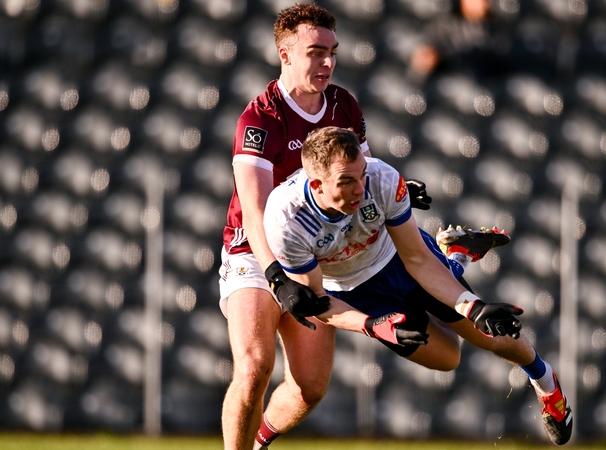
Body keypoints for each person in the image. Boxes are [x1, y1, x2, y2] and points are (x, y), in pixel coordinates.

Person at [264, 127, 574, 446]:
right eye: (346, 182)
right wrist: (371, 326)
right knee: (448, 359)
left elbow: (419, 260)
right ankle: (457, 253)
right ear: (316, 185)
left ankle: (546, 380)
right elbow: (319, 303)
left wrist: (474, 306)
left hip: (401, 259)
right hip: (357, 293)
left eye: (362, 175)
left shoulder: (382, 179)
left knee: (488, 337)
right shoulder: (286, 222)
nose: (360, 189)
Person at [217, 5, 432, 450]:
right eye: (316, 52)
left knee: (310, 388)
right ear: (285, 53)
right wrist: (276, 275)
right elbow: (254, 213)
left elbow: (364, 176)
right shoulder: (260, 119)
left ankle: (257, 442)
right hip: (255, 255)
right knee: (255, 367)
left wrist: (399, 190)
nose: (328, 63)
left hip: (315, 255)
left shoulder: (344, 105)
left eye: (333, 52)